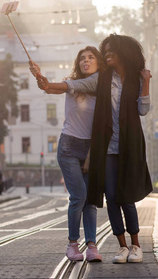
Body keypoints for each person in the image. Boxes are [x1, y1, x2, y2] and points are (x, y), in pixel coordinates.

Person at [30, 34, 153, 264]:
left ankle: (135, 245)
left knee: (124, 197)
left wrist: (146, 81)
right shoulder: (102, 80)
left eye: (109, 50)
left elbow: (143, 109)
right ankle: (117, 246)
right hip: (101, 148)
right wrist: (45, 82)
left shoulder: (133, 79)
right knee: (106, 197)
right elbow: (71, 85)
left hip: (122, 147)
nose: (106, 53)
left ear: (121, 52)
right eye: (104, 50)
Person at [29, 46, 105, 262]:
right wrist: (40, 76)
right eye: (82, 58)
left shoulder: (101, 84)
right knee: (79, 195)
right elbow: (51, 88)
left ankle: (91, 246)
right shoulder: (72, 84)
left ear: (99, 63)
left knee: (90, 200)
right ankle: (73, 244)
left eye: (91, 57)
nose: (86, 61)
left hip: (91, 149)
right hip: (69, 147)